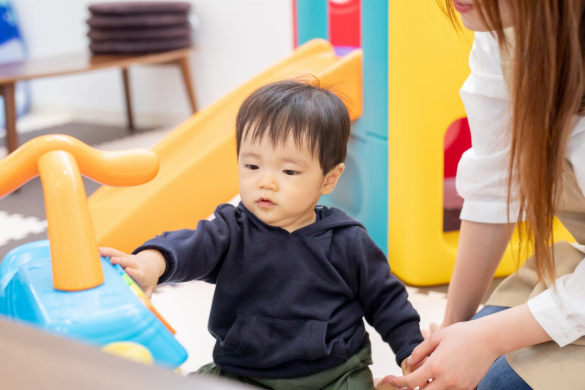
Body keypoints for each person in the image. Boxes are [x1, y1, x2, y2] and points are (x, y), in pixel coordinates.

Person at [99, 79, 423, 390]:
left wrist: (410, 350)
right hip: (243, 372)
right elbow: (190, 246)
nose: (265, 182)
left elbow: (386, 300)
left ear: (329, 179)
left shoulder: (347, 240)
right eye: (252, 166)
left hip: (333, 374)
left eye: (289, 171)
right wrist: (151, 263)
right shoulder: (231, 230)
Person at [382, 1, 585, 389]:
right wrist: (452, 332)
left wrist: (487, 338)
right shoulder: (503, 35)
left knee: (495, 380)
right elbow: (496, 186)